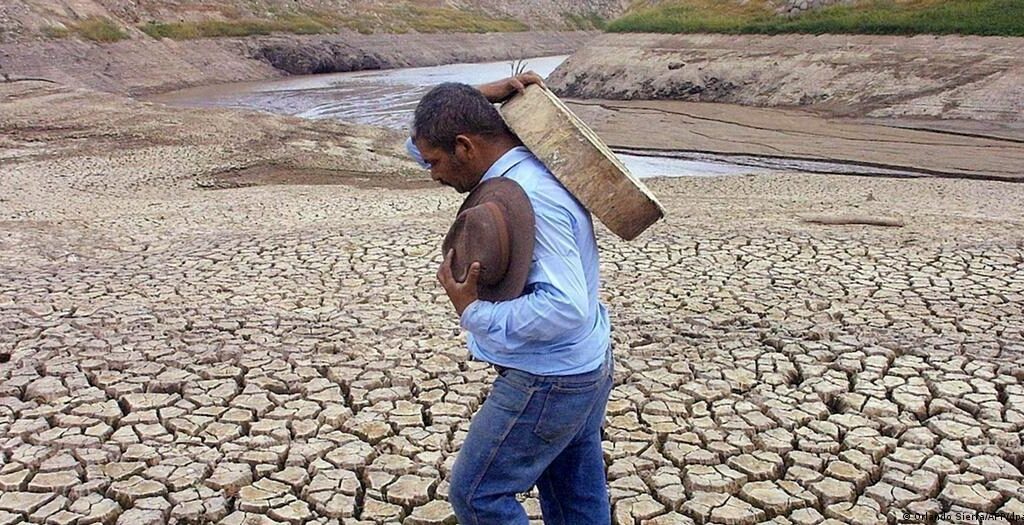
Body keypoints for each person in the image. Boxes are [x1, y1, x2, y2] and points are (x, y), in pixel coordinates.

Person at [405, 73, 614, 525]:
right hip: (583, 366)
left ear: (465, 147)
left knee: (477, 494)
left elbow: (565, 307)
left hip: (550, 379)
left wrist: (473, 311)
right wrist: (473, 98)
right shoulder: (520, 160)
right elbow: (420, 143)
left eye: (435, 163)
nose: (432, 173)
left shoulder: (534, 196)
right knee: (574, 499)